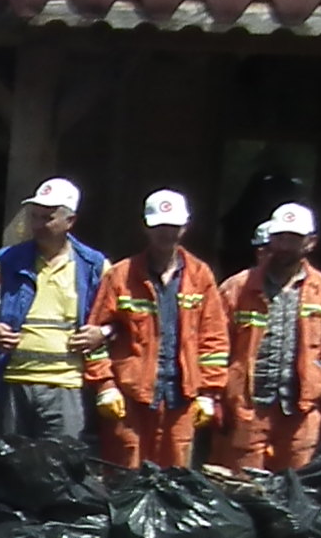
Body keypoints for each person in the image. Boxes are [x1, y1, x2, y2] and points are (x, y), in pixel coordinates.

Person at [88, 188, 221, 469]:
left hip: (181, 398)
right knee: (125, 476)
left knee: (175, 481)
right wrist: (106, 386)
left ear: (184, 228)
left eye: (172, 227)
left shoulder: (200, 276)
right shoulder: (121, 275)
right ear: (146, 228)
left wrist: (209, 393)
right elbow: (95, 336)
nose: (166, 234)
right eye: (160, 227)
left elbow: (214, 341)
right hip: (130, 400)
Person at [212, 203, 321, 471]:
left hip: (300, 412)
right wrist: (215, 397)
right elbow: (215, 346)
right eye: (280, 237)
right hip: (247, 410)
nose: (285, 245)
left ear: (311, 242)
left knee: (295, 490)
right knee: (240, 489)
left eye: (294, 238)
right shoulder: (237, 288)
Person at [0, 178, 105, 444]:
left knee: (59, 467)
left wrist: (103, 332)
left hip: (65, 385)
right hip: (14, 380)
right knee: (12, 466)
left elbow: (120, 318)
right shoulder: (6, 260)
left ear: (70, 221)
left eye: (47, 218)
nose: (37, 225)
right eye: (35, 217)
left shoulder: (93, 265)